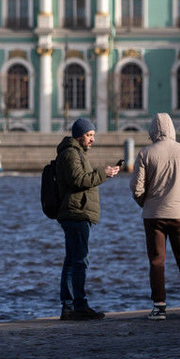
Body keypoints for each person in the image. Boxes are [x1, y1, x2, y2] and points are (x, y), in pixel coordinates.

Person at [130, 112, 180, 319]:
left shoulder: (145, 153)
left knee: (157, 261)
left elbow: (136, 188)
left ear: (152, 130)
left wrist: (146, 204)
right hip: (179, 214)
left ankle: (159, 306)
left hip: (152, 216)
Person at [54, 117, 119, 321]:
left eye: (93, 135)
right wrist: (103, 173)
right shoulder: (71, 154)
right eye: (89, 135)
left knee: (72, 260)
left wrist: (103, 173)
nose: (92, 139)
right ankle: (77, 305)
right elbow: (79, 181)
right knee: (79, 261)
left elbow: (82, 179)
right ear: (79, 135)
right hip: (76, 214)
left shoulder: (76, 153)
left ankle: (70, 306)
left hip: (77, 213)